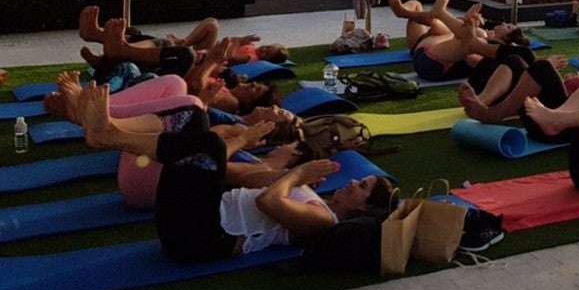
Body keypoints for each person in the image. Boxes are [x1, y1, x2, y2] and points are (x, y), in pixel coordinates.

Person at [75, 83, 394, 263]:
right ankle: (110, 130)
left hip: (200, 239)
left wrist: (293, 176)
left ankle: (107, 135)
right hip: (194, 218)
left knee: (210, 142)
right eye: (360, 179)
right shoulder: (317, 200)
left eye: (361, 186)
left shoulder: (325, 221)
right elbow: (245, 182)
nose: (353, 181)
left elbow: (271, 203)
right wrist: (276, 172)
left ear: (364, 207)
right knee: (191, 118)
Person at [389, 0, 531, 82]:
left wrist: (469, 28)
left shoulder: (491, 48)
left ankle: (439, 14)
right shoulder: (484, 36)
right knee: (416, 5)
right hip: (425, 50)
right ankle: (404, 11)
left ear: (507, 39)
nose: (503, 24)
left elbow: (471, 59)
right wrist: (468, 24)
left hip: (432, 63)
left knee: (439, 24)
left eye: (507, 27)